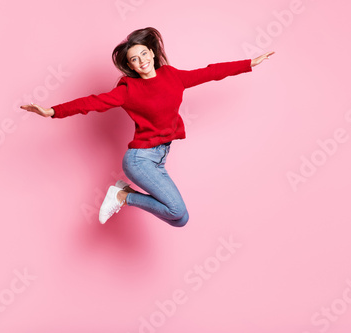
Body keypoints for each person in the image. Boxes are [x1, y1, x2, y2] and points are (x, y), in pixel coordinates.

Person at [21, 27, 274, 227]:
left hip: (159, 159)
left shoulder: (173, 76)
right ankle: (123, 196)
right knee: (176, 210)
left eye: (143, 54)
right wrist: (52, 111)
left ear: (152, 53)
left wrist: (248, 63)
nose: (141, 60)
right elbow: (93, 102)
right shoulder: (128, 91)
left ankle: (124, 194)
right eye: (134, 59)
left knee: (181, 219)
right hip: (140, 159)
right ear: (130, 66)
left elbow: (209, 73)